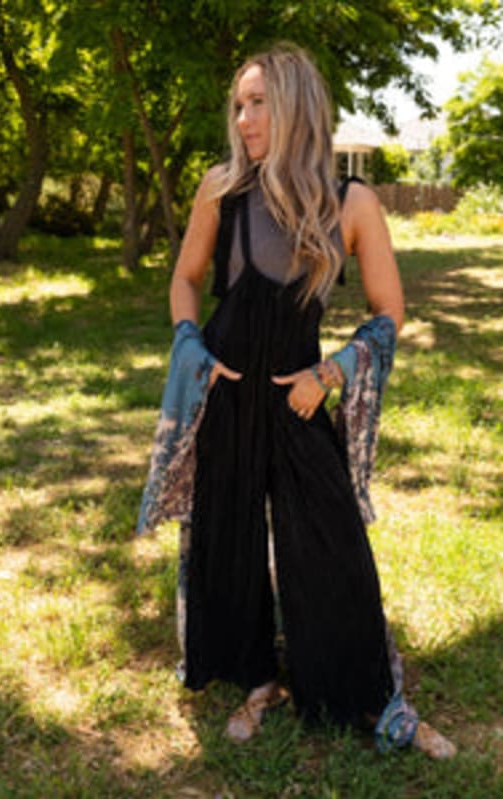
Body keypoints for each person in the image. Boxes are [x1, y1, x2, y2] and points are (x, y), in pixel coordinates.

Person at [137, 43, 456, 759]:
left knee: (332, 544)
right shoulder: (220, 188)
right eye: (239, 105)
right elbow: (186, 280)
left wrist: (332, 372)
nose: (243, 119)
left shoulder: (351, 202)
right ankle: (255, 680)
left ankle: (366, 694)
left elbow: (388, 312)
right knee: (228, 540)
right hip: (226, 394)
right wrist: (190, 346)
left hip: (301, 399)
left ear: (296, 107)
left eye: (258, 103)